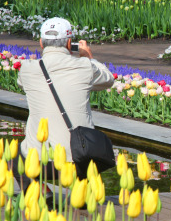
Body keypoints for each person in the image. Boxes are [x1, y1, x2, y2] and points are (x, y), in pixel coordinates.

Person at [14, 17, 114, 193]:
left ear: (41, 43)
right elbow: (108, 80)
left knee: (13, 159)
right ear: (69, 42)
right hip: (80, 160)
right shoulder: (85, 67)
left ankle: (40, 193)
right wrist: (88, 57)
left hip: (39, 163)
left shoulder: (26, 69)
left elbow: (22, 84)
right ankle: (83, 196)